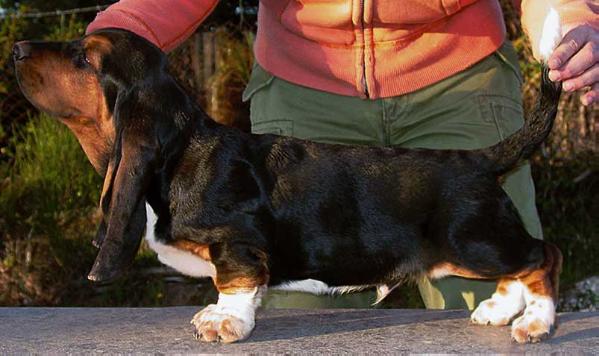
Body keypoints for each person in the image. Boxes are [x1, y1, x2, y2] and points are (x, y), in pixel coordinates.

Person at [87, 0, 598, 310]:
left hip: (457, 89)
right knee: (288, 323)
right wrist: (109, 37)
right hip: (302, 105)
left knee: (492, 306)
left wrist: (572, 23)